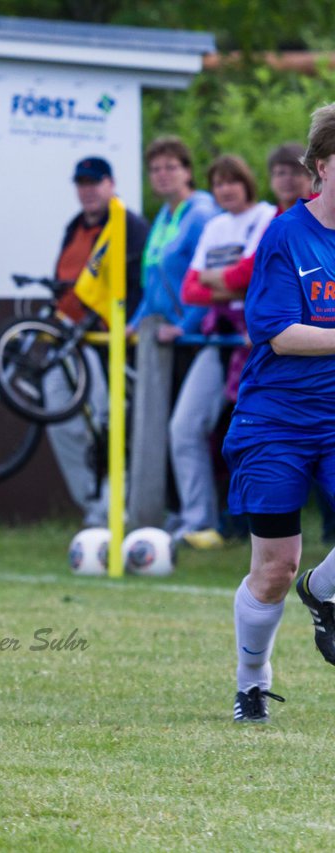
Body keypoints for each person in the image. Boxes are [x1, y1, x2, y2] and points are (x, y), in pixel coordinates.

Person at [219, 103, 335, 723]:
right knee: (273, 568)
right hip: (277, 422)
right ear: (319, 167)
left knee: (302, 573)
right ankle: (252, 682)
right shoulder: (287, 236)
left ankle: (321, 590)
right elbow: (279, 332)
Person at [171, 156, 276, 550]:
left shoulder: (267, 216)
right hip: (220, 342)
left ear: (248, 182)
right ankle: (199, 522)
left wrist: (228, 283)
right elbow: (190, 290)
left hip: (260, 346)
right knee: (184, 428)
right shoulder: (215, 225)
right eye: (218, 183)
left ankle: (260, 529)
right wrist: (232, 286)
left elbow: (252, 276)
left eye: (233, 180)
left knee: (255, 437)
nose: (226, 189)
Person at [47, 156, 149, 527]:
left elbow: (141, 281)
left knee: (112, 423)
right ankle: (92, 502)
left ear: (111, 184)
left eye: (94, 182)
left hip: (112, 343)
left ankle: (116, 505)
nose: (87, 190)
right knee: (60, 419)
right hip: (69, 340)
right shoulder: (74, 226)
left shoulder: (129, 226)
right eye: (81, 183)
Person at [129, 136, 220, 342]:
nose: (162, 175)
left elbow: (210, 282)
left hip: (193, 337)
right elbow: (154, 283)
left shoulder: (202, 214)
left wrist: (184, 328)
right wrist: (134, 324)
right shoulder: (163, 216)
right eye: (155, 169)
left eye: (170, 167)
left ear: (187, 172)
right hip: (164, 334)